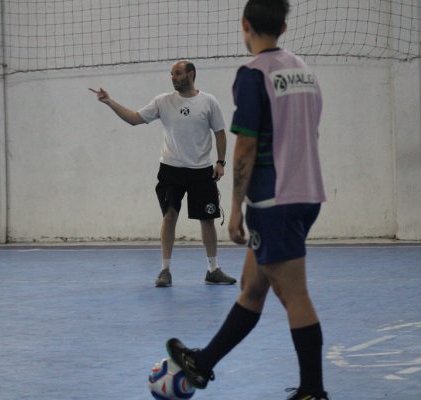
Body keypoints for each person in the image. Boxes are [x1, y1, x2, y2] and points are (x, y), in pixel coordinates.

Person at [166, 1, 329, 399]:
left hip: (275, 199)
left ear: (245, 25)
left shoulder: (254, 74)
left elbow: (246, 146)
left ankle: (313, 391)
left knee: (294, 294)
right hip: (306, 192)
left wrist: (236, 207)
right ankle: (201, 365)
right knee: (252, 286)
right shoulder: (303, 71)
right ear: (284, 27)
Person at [91, 60, 237, 287]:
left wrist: (220, 162)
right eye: (171, 74)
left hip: (201, 170)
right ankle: (165, 271)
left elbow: (220, 133)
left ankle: (212, 270)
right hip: (171, 169)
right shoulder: (162, 101)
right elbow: (134, 119)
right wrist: (110, 102)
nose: (173, 77)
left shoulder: (208, 101)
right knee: (169, 215)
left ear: (191, 74)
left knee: (207, 219)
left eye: (177, 73)